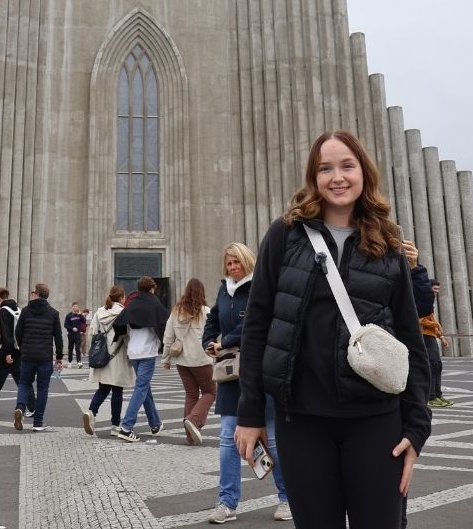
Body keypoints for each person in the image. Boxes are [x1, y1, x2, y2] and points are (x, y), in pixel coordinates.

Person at [236, 130, 432, 529]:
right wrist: (250, 412)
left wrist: (416, 427)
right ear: (314, 177)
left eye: (347, 166)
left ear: (364, 173)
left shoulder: (387, 242)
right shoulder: (285, 234)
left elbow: (410, 339)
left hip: (377, 422)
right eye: (325, 168)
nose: (337, 177)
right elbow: (256, 326)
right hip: (302, 420)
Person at [202, 243, 290, 523]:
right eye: (228, 264)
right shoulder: (223, 289)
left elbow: (255, 322)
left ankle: (288, 498)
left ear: (247, 262)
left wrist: (224, 341)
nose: (232, 268)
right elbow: (213, 318)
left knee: (273, 439)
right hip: (231, 373)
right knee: (228, 440)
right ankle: (227, 503)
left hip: (258, 370)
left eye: (236, 263)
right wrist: (209, 341)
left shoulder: (258, 287)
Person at [112, 276, 168, 442]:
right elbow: (164, 324)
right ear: (152, 289)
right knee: (141, 388)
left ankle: (155, 423)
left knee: (144, 388)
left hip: (133, 352)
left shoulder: (132, 304)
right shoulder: (155, 303)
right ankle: (126, 426)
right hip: (148, 352)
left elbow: (120, 323)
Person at [164, 278, 214, 445]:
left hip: (182, 361)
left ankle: (189, 435)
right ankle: (194, 420)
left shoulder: (176, 312)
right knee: (211, 392)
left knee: (191, 394)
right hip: (201, 360)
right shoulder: (206, 311)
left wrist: (166, 359)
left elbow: (168, 337)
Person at [400, 240, 450, 407]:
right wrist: (434, 327)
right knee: (429, 364)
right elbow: (420, 318)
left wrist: (440, 335)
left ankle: (436, 394)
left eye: (437, 290)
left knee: (436, 365)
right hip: (421, 335)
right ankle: (431, 395)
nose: (436, 292)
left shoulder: (422, 293)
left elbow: (426, 312)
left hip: (429, 336)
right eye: (434, 289)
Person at [12, 282, 66, 432]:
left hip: (28, 355)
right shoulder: (53, 313)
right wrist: (59, 356)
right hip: (45, 357)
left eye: (33, 292)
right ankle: (38, 422)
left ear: (37, 294)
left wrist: (23, 346)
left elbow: (18, 332)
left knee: (24, 383)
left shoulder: (26, 311)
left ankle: (20, 408)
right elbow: (58, 337)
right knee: (43, 389)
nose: (32, 294)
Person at [81, 284, 131, 435]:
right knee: (117, 390)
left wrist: (93, 352)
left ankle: (91, 412)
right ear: (122, 298)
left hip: (102, 355)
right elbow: (126, 335)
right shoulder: (123, 312)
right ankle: (115, 425)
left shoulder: (99, 312)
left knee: (103, 388)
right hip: (117, 356)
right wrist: (130, 353)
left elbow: (91, 333)